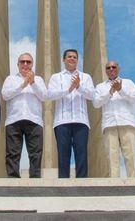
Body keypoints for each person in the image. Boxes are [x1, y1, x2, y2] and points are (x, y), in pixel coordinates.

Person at [47, 49, 95, 178]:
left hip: (81, 120)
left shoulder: (86, 77)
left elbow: (91, 95)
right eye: (69, 57)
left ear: (77, 60)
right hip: (62, 121)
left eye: (74, 57)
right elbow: (50, 94)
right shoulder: (56, 77)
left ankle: (82, 183)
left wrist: (79, 87)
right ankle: (63, 183)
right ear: (64, 60)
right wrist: (69, 89)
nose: (72, 59)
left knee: (81, 153)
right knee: (63, 154)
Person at [1, 52, 47, 178]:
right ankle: (13, 179)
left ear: (32, 64)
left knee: (35, 153)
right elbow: (5, 95)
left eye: (28, 62)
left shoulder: (39, 80)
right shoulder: (10, 79)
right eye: (22, 62)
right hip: (14, 120)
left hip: (34, 120)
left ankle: (35, 180)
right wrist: (22, 85)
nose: (25, 64)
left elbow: (44, 96)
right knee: (12, 152)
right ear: (18, 64)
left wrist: (32, 83)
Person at [93, 60, 135, 177]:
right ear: (105, 71)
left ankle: (133, 183)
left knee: (130, 155)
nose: (111, 69)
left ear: (118, 69)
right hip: (109, 125)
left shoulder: (128, 83)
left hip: (127, 122)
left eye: (113, 67)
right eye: (108, 68)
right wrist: (110, 92)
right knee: (112, 157)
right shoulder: (100, 86)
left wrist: (120, 90)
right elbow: (96, 103)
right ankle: (115, 185)